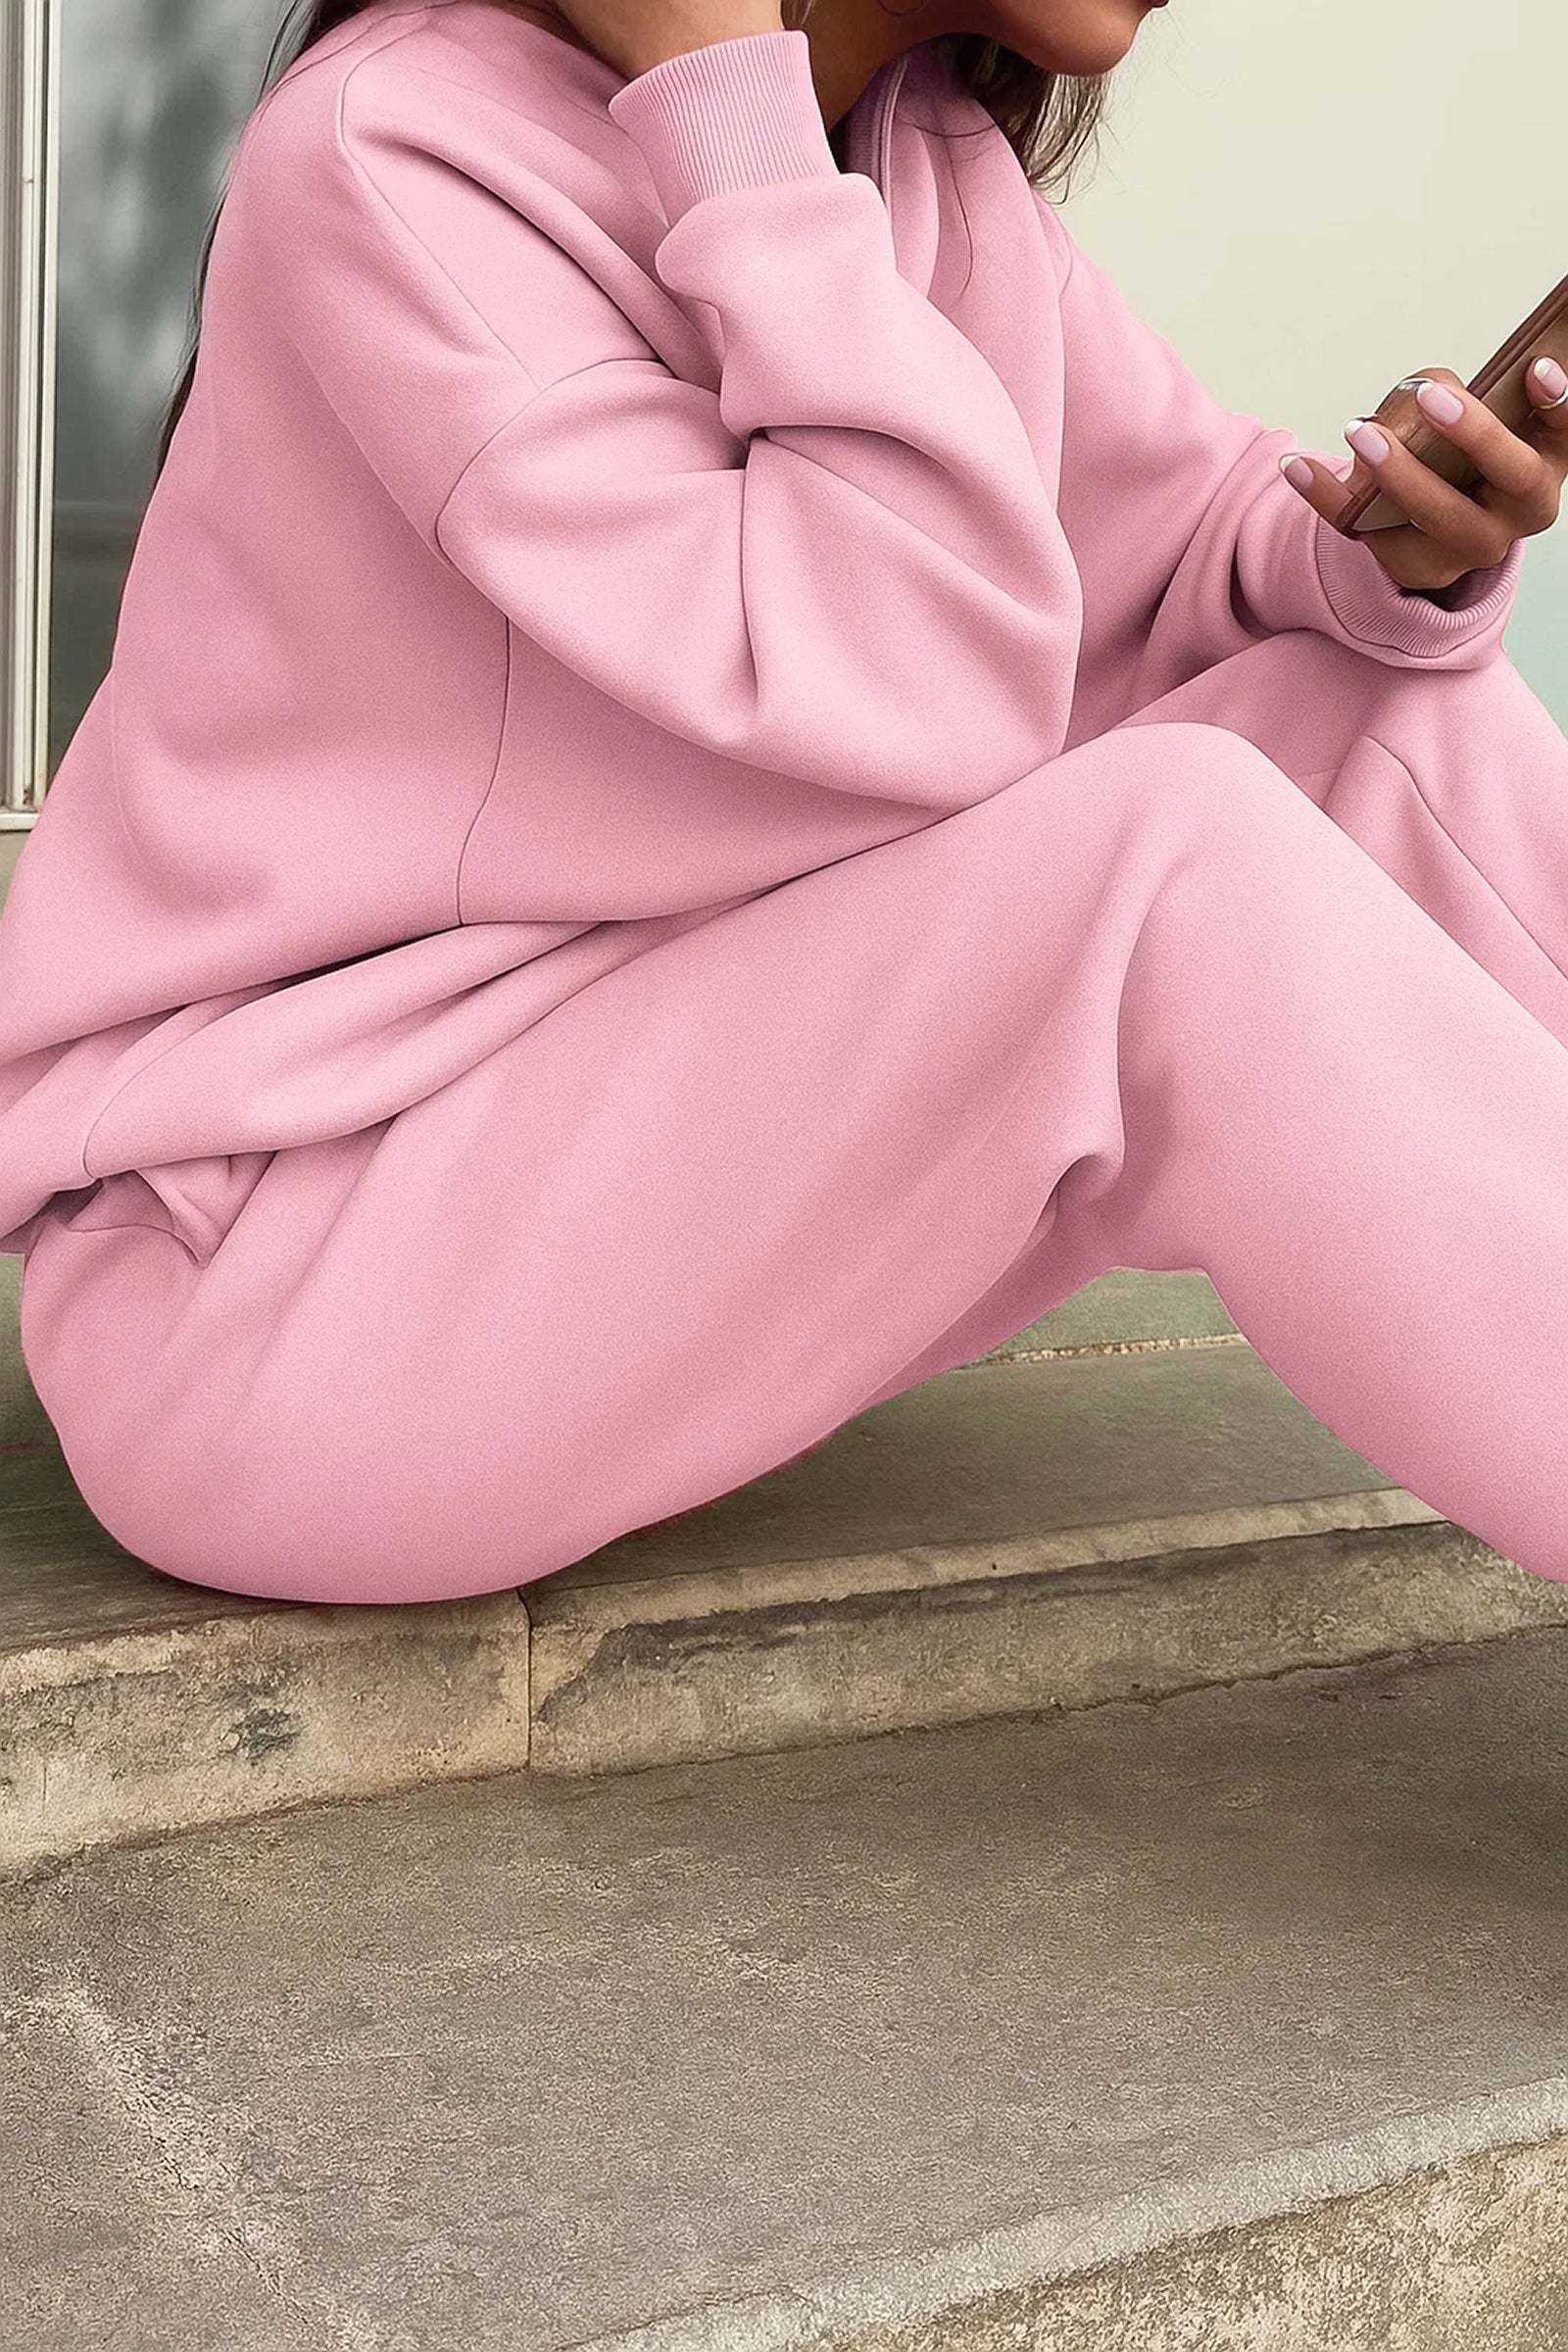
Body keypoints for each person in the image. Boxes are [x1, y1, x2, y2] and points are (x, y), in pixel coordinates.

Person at [1, 0, 1565, 1606]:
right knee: (1178, 866)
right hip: (275, 1289)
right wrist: (728, 124)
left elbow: (1164, 535)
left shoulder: (913, 164)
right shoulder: (396, 154)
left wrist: (1373, 551)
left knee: (1375, 704)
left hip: (577, 1149)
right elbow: (920, 679)